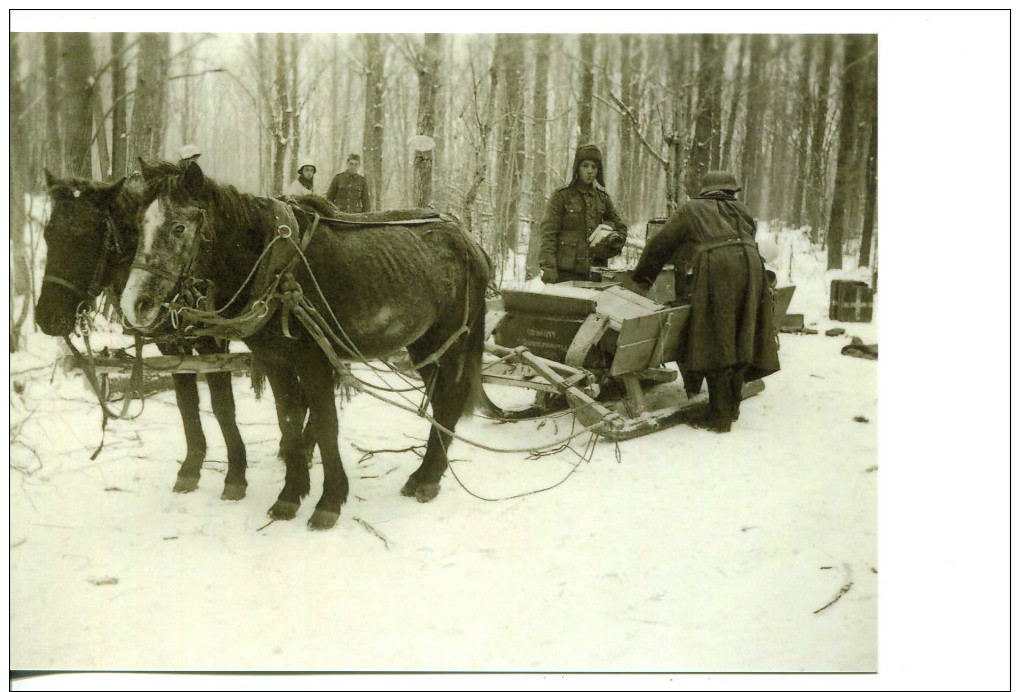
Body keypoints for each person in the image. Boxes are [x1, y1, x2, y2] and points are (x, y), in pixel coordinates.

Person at [630, 171, 780, 433]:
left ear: (706, 191)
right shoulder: (742, 210)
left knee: (716, 337)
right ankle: (731, 408)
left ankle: (719, 417)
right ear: (730, 191)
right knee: (741, 333)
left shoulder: (692, 209)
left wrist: (641, 279)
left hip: (719, 271)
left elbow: (660, 244)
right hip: (752, 268)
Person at [538, 144, 627, 283]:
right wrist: (549, 270)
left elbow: (621, 228)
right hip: (565, 275)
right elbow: (548, 235)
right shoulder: (562, 196)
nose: (590, 171)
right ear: (577, 168)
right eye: (585, 166)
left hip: (595, 274)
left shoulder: (603, 198)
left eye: (594, 167)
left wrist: (611, 245)